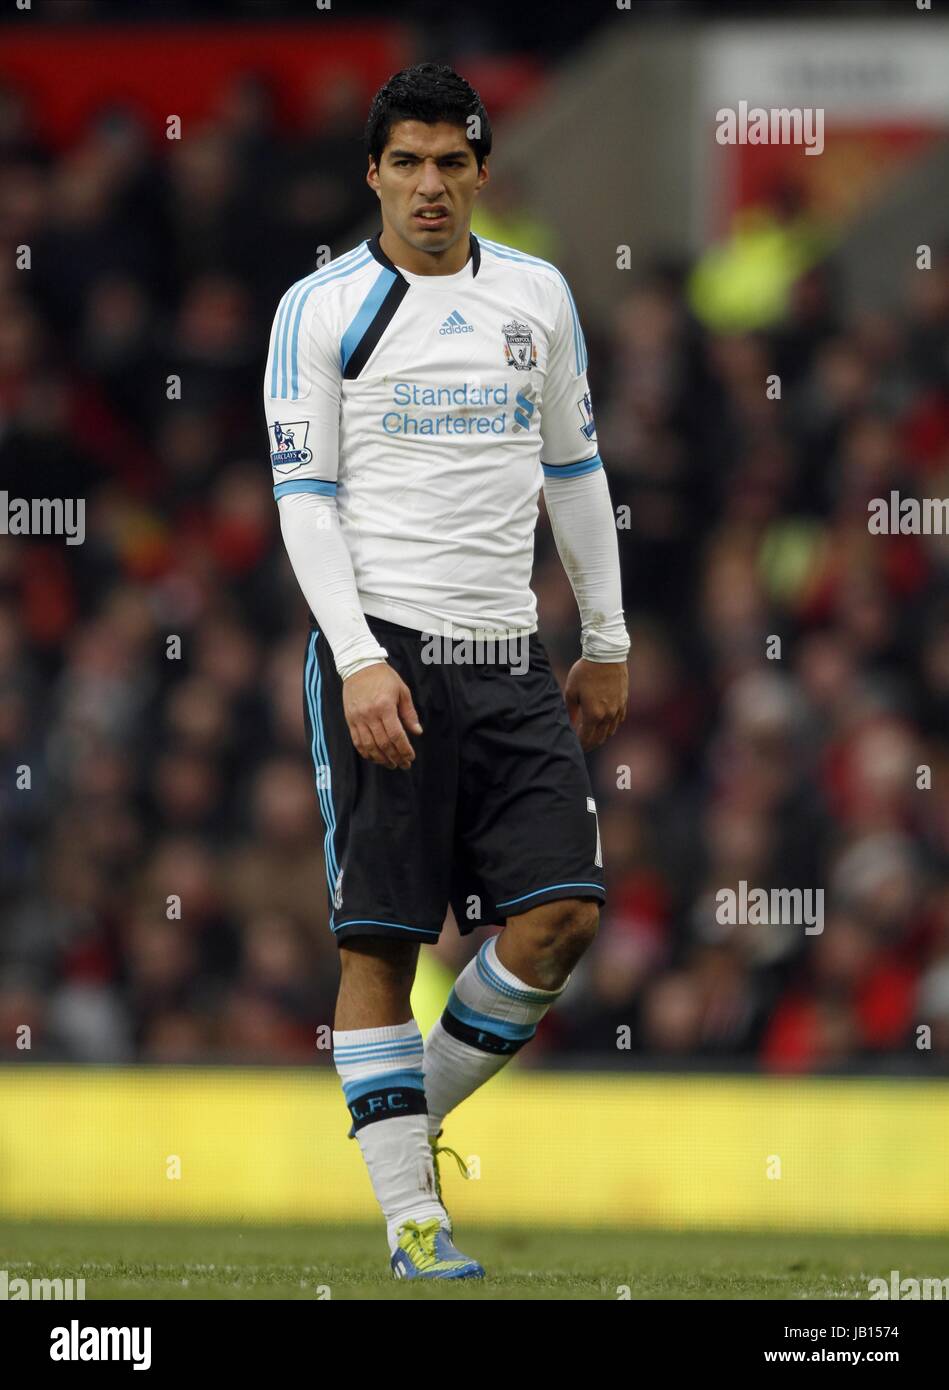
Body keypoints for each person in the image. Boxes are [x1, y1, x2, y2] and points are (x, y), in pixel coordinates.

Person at [263, 63, 629, 1279]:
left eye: (451, 163)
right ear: (372, 172)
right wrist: (360, 661)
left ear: (482, 171)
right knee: (380, 944)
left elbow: (574, 473)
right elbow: (303, 501)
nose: (430, 186)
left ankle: (397, 1127)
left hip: (511, 658)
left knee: (563, 916)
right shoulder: (320, 309)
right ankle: (413, 1216)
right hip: (389, 652)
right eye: (407, 163)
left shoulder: (538, 297)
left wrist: (605, 639)